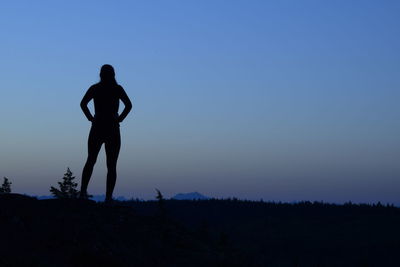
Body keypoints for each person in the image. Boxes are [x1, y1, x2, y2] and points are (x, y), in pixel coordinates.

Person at [80, 64, 132, 202]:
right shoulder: (117, 89)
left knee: (91, 160)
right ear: (113, 75)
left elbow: (83, 104)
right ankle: (108, 197)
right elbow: (129, 105)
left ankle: (83, 192)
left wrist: (91, 118)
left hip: (98, 126)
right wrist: (119, 118)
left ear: (101, 74)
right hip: (112, 128)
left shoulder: (96, 88)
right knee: (111, 164)